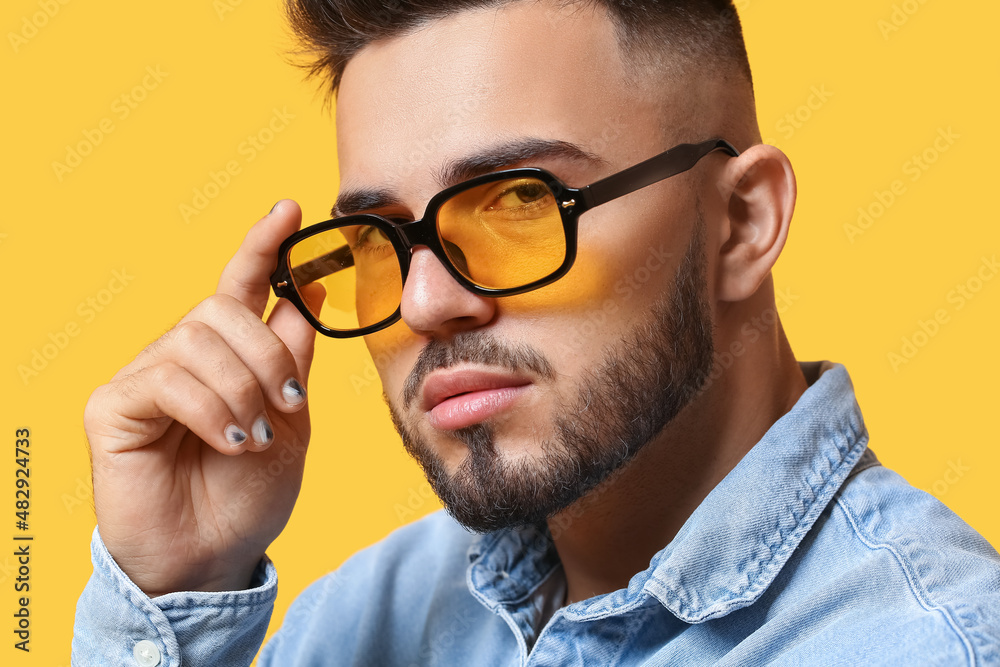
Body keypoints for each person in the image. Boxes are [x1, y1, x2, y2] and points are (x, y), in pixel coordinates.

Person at [73, 0, 1000, 665]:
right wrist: (173, 595)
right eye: (377, 238)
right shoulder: (368, 618)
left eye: (519, 200)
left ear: (743, 223)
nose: (426, 301)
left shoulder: (926, 641)